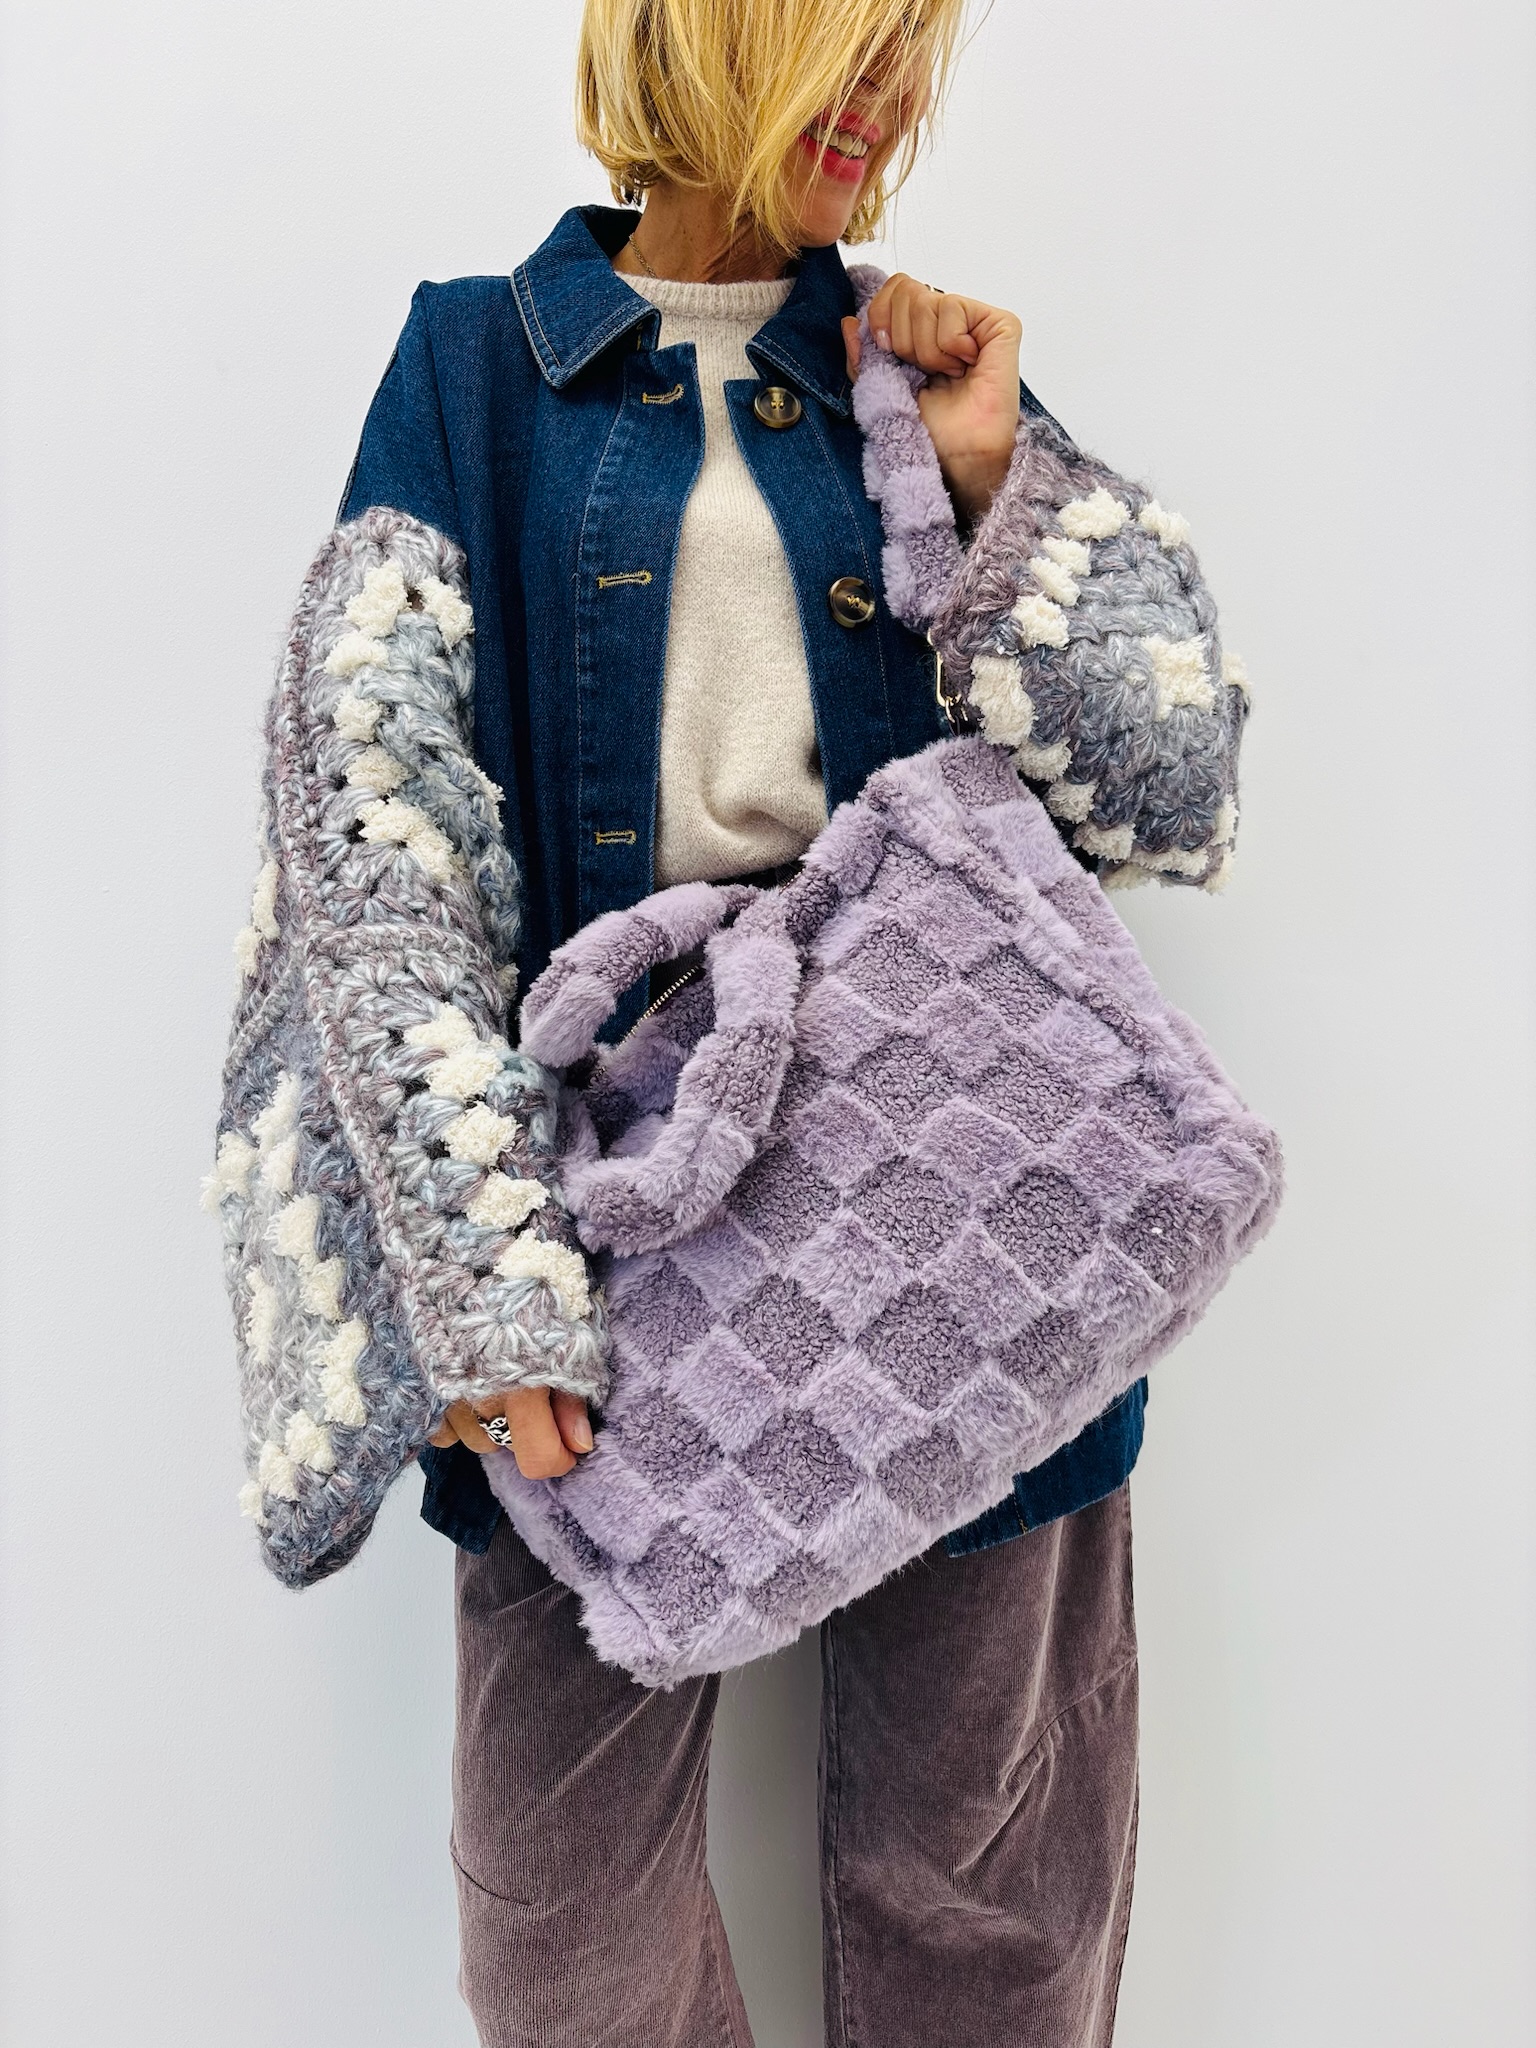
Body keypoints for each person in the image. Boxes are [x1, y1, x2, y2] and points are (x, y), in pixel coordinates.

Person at [333, 3, 1161, 2039]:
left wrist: (998, 489)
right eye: (843, 43)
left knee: (984, 1900)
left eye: (910, 52)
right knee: (565, 1941)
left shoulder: (921, 370)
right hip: (612, 1215)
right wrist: (473, 1264)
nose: (889, 102)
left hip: (963, 1194)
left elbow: (1164, 789)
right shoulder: (472, 366)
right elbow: (373, 836)